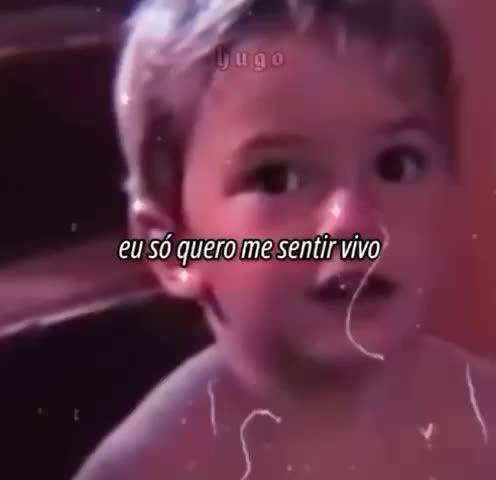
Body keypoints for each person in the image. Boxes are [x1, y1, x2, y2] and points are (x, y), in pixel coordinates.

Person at [75, 0, 496, 478]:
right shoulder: (150, 469)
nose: (351, 222)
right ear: (173, 247)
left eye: (396, 164)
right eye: (277, 178)